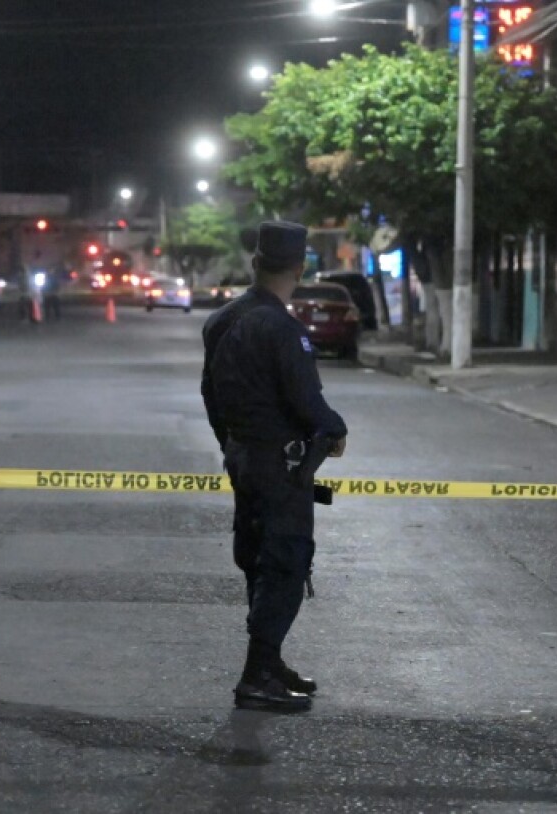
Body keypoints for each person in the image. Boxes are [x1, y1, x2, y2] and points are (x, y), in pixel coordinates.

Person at [204, 221, 348, 713]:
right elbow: (307, 401)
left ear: (254, 263)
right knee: (284, 563)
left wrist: (232, 443)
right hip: (280, 464)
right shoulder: (283, 329)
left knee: (257, 559)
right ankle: (257, 674)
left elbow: (211, 394)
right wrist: (333, 428)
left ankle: (269, 661)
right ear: (300, 267)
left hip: (242, 455)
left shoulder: (221, 319)